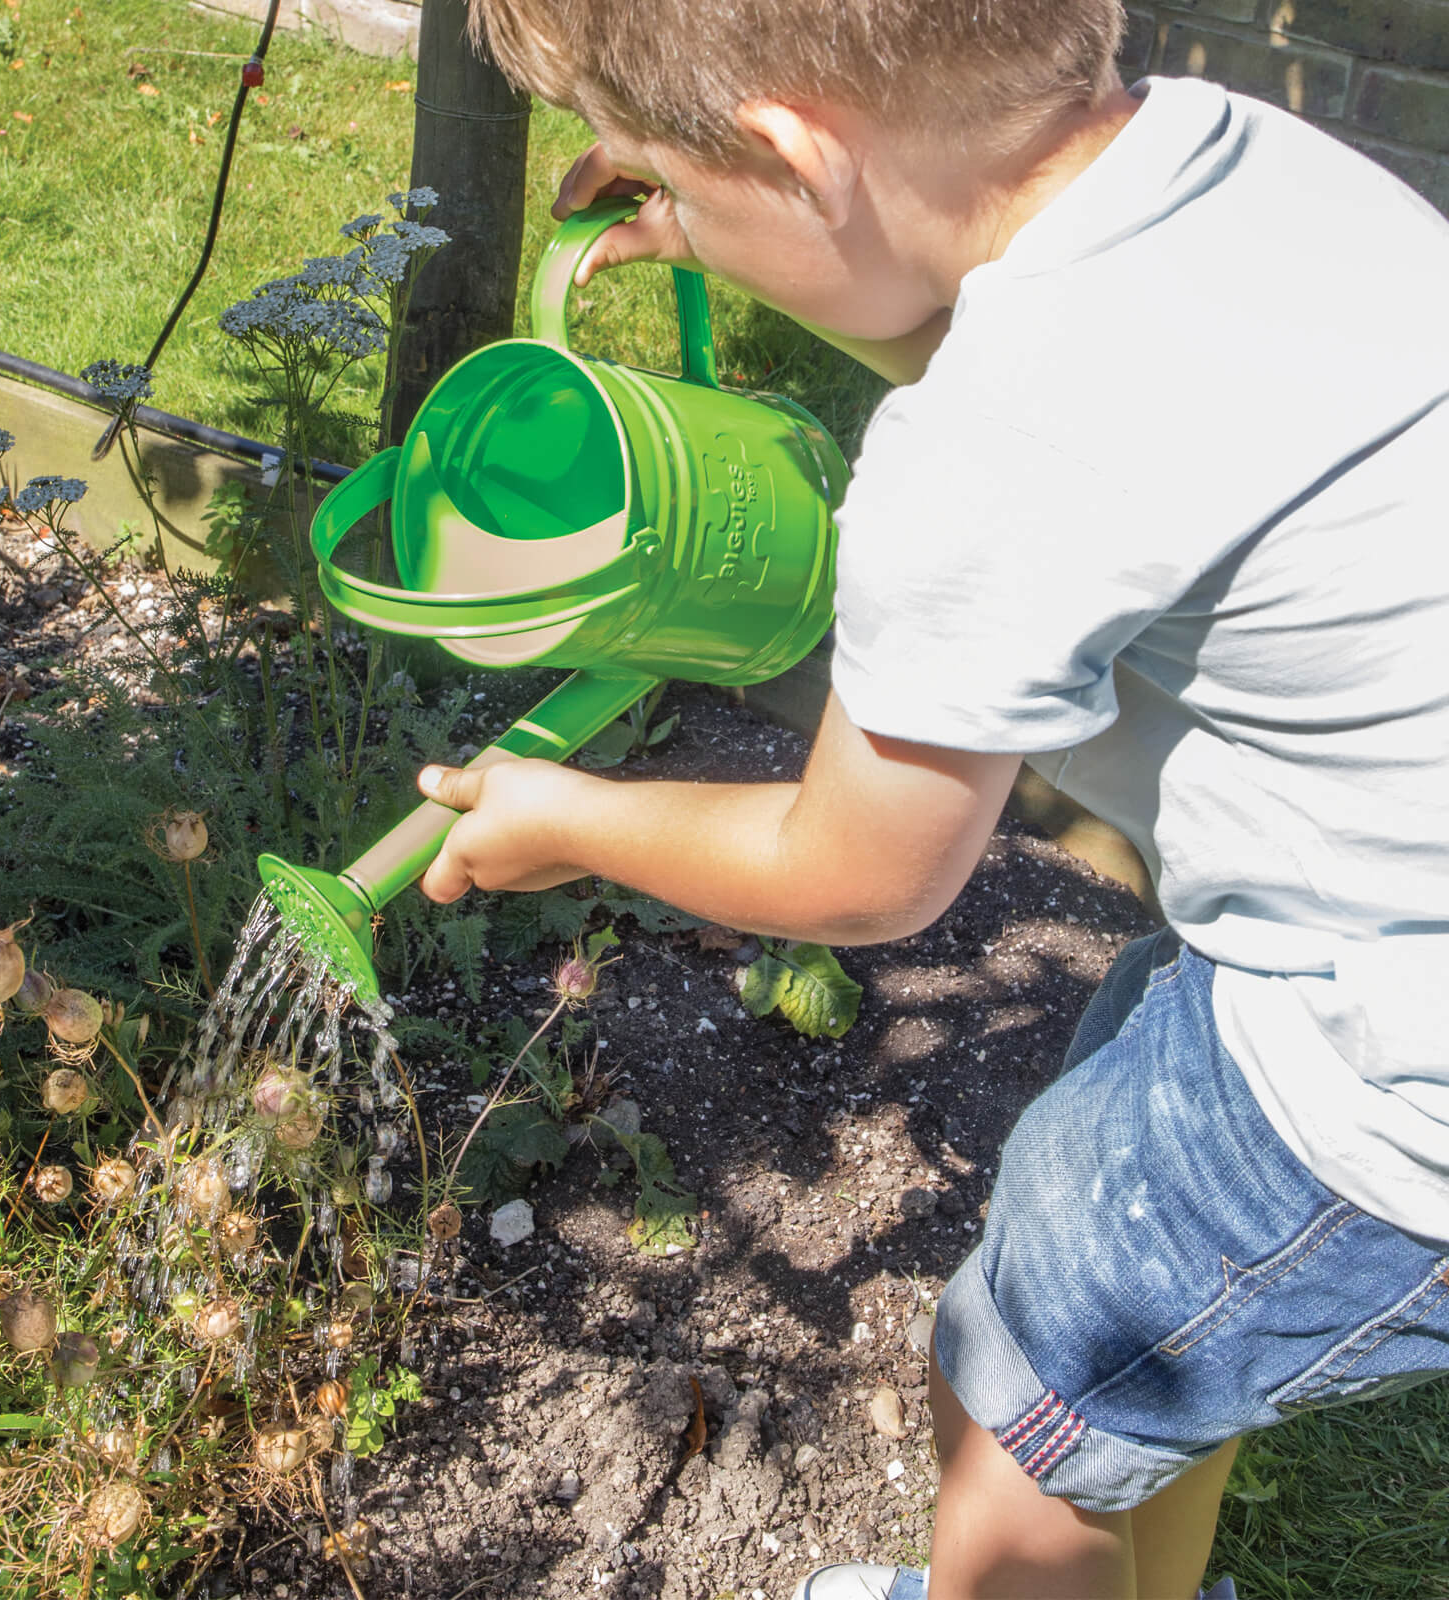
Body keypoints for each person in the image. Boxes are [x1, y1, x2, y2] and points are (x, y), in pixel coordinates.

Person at [412, 3, 1449, 1595]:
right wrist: (734, 233)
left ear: (793, 154)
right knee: (1140, 1341)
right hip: (1378, 924)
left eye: (698, 178)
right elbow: (1018, 367)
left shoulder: (983, 458)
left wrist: (567, 820)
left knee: (1032, 1387)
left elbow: (857, 874)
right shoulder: (1239, 164)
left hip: (1383, 1081)